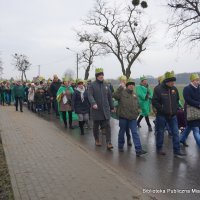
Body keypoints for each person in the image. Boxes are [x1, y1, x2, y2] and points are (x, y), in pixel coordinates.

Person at [152, 71, 186, 156]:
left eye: (173, 81)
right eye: (171, 81)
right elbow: (154, 101)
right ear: (166, 81)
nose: (173, 83)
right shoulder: (158, 89)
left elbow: (177, 99)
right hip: (161, 115)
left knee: (175, 133)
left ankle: (176, 151)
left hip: (173, 115)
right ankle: (159, 148)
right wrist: (162, 109)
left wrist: (177, 108)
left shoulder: (174, 89)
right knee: (160, 132)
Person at [113, 78, 147, 156]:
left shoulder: (135, 94)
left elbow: (138, 104)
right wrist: (121, 87)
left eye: (133, 85)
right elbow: (114, 95)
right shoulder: (122, 93)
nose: (131, 86)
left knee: (135, 133)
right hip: (123, 117)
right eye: (130, 85)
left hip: (133, 118)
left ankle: (138, 150)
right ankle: (120, 146)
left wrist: (138, 111)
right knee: (122, 132)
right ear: (127, 86)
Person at [88, 68, 114, 150]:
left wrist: (112, 106)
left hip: (105, 109)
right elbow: (90, 95)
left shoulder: (106, 85)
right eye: (99, 75)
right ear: (96, 76)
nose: (101, 76)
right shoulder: (92, 85)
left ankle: (109, 142)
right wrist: (93, 103)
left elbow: (109, 96)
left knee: (108, 126)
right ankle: (97, 140)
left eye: (102, 75)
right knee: (96, 126)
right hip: (96, 109)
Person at [180, 73, 200, 148]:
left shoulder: (199, 88)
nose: (198, 82)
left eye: (199, 80)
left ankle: (182, 139)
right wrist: (198, 104)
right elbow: (188, 100)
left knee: (189, 127)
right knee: (196, 130)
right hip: (190, 112)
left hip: (198, 112)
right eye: (196, 80)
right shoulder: (187, 89)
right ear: (192, 80)